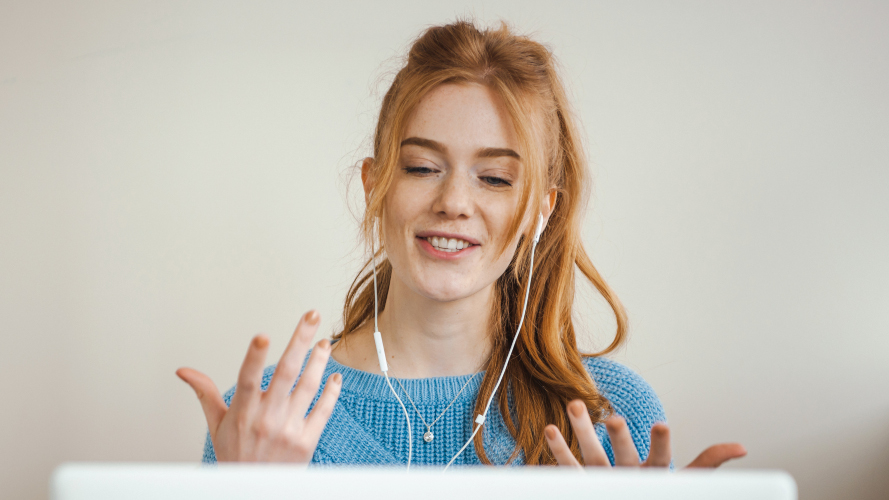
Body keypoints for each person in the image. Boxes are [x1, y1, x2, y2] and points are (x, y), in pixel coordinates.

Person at [176, 19, 746, 468]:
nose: (453, 201)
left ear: (540, 212)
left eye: (495, 178)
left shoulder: (609, 419)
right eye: (423, 167)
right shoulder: (270, 417)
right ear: (376, 185)